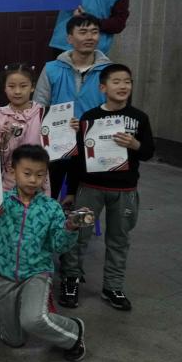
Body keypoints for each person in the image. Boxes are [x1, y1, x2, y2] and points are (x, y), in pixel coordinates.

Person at [59, 64, 154, 311]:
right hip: (90, 188)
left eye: (127, 81)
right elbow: (77, 158)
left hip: (125, 190)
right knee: (78, 235)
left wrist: (135, 144)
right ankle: (71, 280)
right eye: (116, 81)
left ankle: (113, 286)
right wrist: (71, 190)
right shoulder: (89, 118)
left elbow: (148, 152)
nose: (123, 86)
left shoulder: (139, 118)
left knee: (119, 239)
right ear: (103, 88)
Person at [0, 145, 88, 362]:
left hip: (37, 273)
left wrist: (70, 228)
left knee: (32, 320)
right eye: (27, 173)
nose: (33, 180)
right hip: (4, 276)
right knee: (13, 340)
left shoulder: (51, 208)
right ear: (12, 170)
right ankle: (17, 320)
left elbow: (59, 245)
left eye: (40, 174)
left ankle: (74, 332)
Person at [34, 13, 111, 202]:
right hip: (56, 146)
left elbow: (114, 109)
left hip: (92, 146)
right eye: (83, 32)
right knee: (48, 199)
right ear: (69, 38)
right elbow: (39, 106)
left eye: (94, 32)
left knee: (85, 202)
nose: (89, 37)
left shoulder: (109, 71)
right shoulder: (52, 68)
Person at [0, 64, 50, 193]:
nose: (17, 91)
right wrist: (3, 142)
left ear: (32, 87)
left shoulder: (44, 115)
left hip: (38, 184)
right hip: (8, 186)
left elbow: (57, 148)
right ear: (4, 88)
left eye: (23, 86)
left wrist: (68, 131)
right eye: (11, 86)